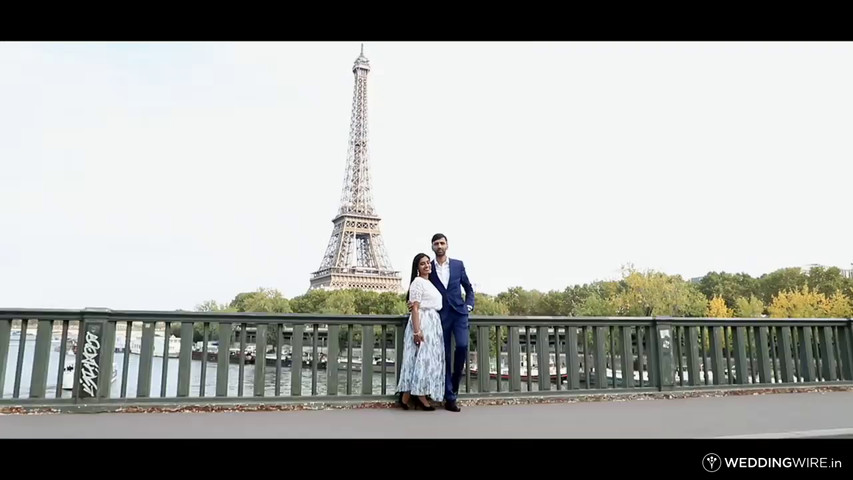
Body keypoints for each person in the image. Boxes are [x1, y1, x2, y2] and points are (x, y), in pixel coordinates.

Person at [411, 233, 475, 412]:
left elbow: (468, 288)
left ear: (447, 245)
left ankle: (453, 386)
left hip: (460, 314)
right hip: (440, 317)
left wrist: (469, 306)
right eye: (436, 243)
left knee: (462, 347)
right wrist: (414, 305)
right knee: (444, 356)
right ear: (432, 247)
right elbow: (420, 289)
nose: (439, 246)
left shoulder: (458, 265)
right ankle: (449, 397)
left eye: (442, 243)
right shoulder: (427, 267)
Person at [395, 253, 445, 411]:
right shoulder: (417, 282)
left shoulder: (428, 283)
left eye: (427, 263)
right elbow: (415, 308)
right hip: (423, 323)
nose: (426, 266)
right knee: (421, 360)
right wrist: (417, 331)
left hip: (432, 324)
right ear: (417, 267)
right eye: (422, 264)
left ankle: (407, 396)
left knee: (421, 361)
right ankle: (420, 396)